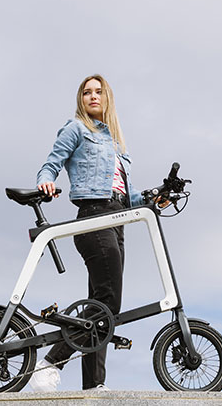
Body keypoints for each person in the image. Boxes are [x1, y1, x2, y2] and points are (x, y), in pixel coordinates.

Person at [29, 74, 143, 392]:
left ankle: (93, 385)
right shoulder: (76, 129)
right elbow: (51, 163)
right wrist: (46, 180)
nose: (93, 96)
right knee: (108, 301)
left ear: (107, 98)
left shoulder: (116, 143)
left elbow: (126, 193)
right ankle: (51, 362)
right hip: (93, 217)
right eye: (87, 92)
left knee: (101, 306)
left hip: (118, 220)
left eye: (98, 92)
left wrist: (154, 197)